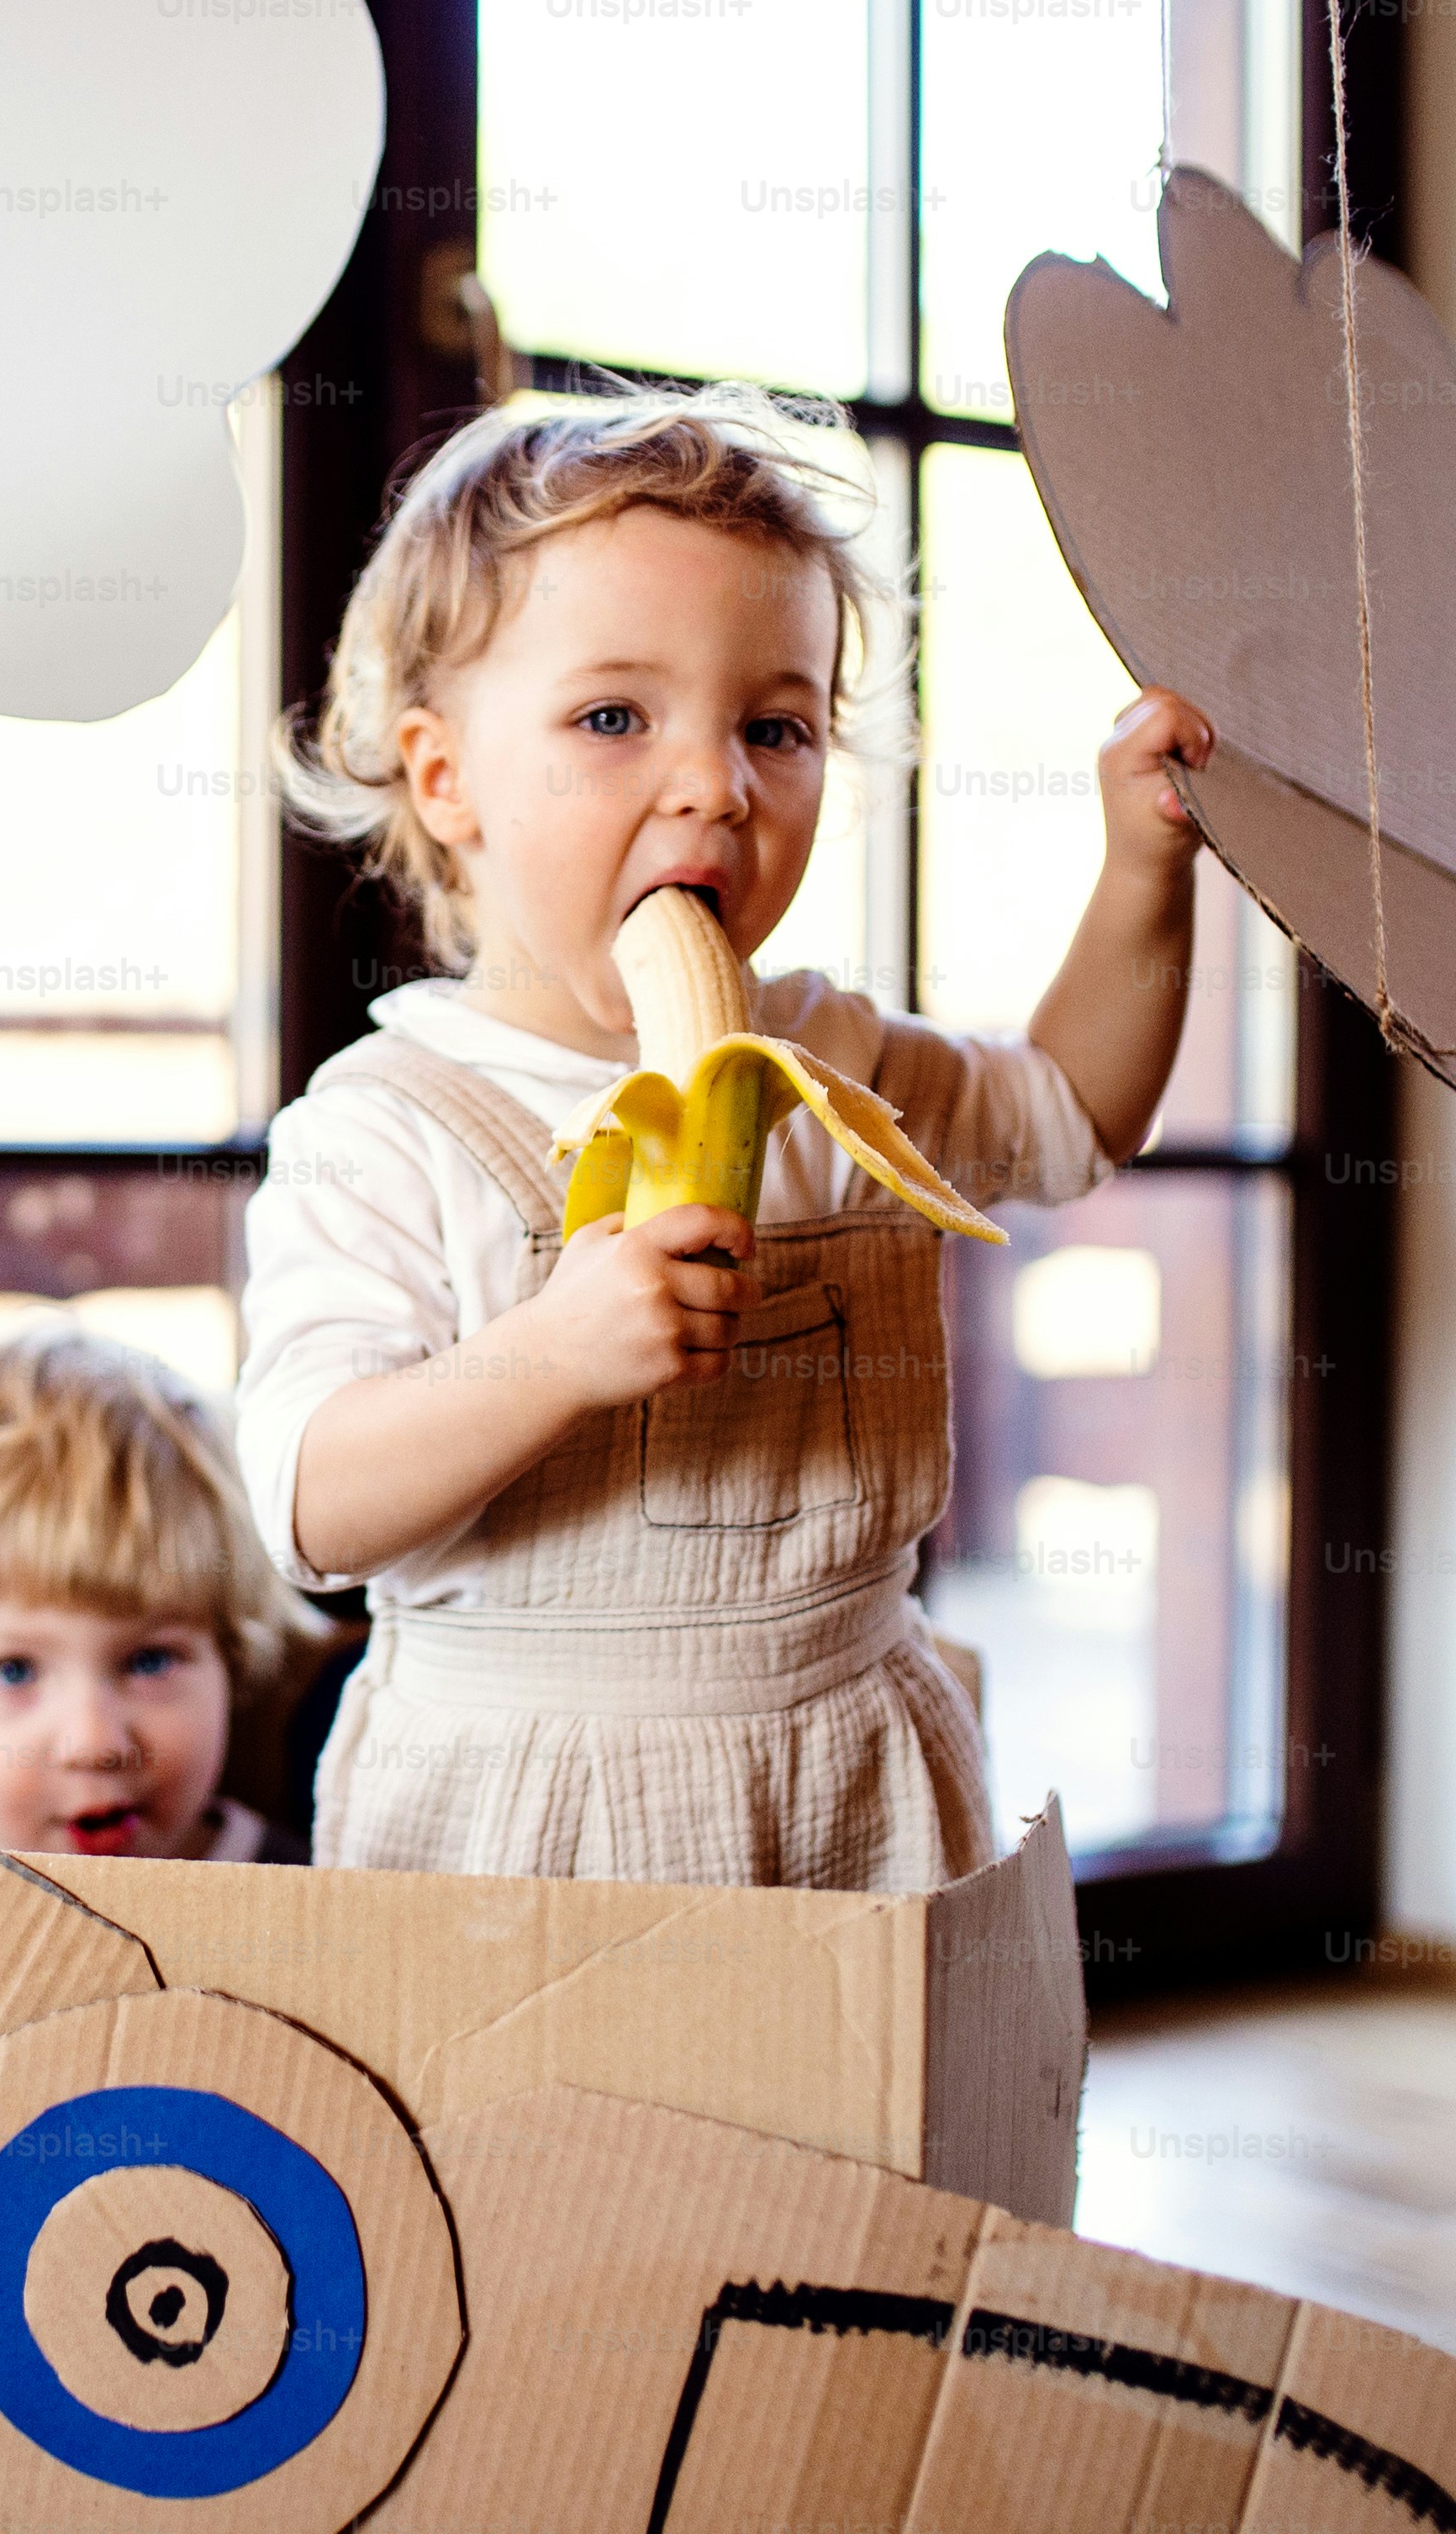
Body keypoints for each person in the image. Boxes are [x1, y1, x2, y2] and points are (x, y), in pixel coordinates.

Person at [240, 383, 1212, 1892]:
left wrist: (1146, 861)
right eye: (614, 717)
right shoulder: (387, 1130)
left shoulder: (836, 1058)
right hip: (521, 1822)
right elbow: (312, 1500)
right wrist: (549, 1352)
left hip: (850, 1775)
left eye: (778, 725)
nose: (717, 785)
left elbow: (1074, 1112)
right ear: (445, 779)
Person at [0, 1325, 333, 1861]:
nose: (94, 1743)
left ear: (233, 1660)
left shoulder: (309, 1891)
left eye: (150, 1661)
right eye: (14, 1670)